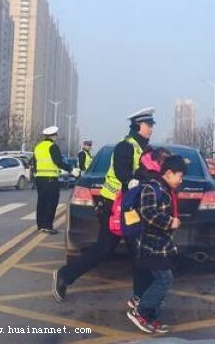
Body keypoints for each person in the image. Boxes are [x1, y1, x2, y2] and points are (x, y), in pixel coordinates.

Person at [53, 107, 156, 302]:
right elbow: (121, 171)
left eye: (151, 125)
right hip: (114, 206)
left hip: (130, 205)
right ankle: (64, 276)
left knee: (137, 250)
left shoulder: (143, 148)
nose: (151, 129)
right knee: (106, 249)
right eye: (148, 125)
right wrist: (131, 181)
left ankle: (141, 298)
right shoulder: (125, 146)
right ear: (138, 126)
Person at [127, 154, 186, 334]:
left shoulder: (167, 190)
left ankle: (153, 318)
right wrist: (170, 222)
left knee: (157, 281)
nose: (181, 180)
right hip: (151, 245)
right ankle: (141, 312)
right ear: (168, 173)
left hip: (162, 245)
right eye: (179, 176)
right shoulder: (152, 188)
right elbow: (148, 213)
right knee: (164, 279)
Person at [32, 126, 71, 234]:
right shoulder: (53, 146)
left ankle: (40, 225)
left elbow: (34, 162)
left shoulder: (38, 147)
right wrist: (70, 169)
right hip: (50, 179)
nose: (56, 137)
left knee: (41, 201)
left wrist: (36, 174)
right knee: (51, 202)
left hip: (39, 178)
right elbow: (58, 161)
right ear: (53, 136)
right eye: (56, 135)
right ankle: (47, 226)